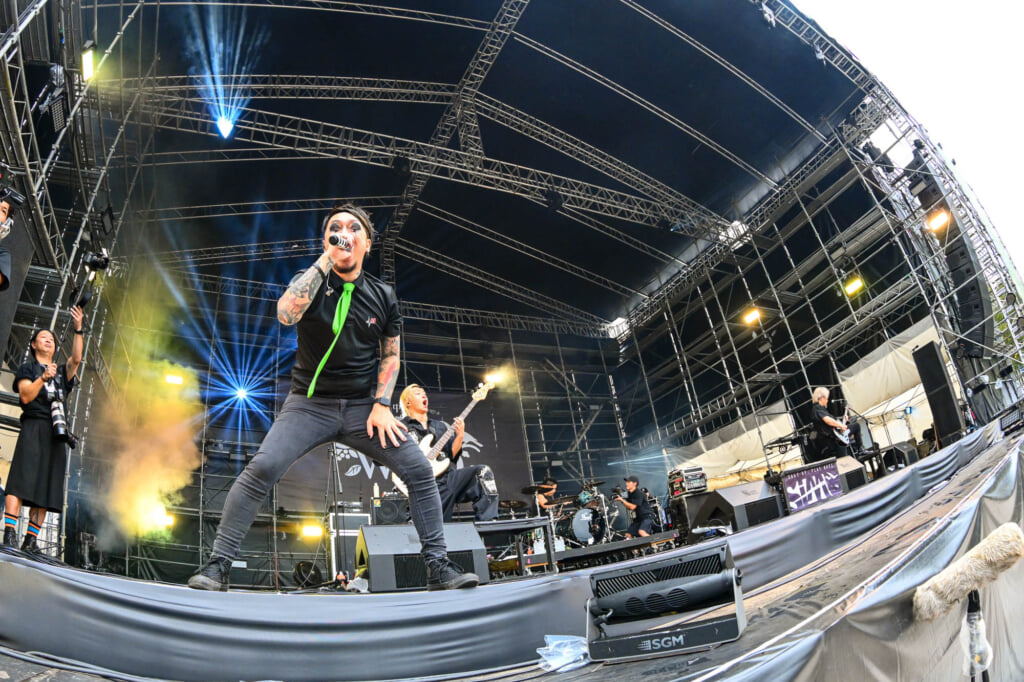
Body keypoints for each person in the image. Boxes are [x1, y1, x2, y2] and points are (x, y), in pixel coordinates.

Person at [188, 204, 477, 591]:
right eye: (335, 228)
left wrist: (381, 404)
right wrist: (327, 258)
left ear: (367, 244)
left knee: (420, 470)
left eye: (354, 228)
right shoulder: (309, 280)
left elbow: (391, 355)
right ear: (325, 240)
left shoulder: (383, 296)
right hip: (309, 405)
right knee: (262, 468)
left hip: (362, 408)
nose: (344, 232)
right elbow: (286, 314)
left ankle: (438, 566)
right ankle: (218, 565)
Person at [3, 306, 84, 551]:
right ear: (33, 344)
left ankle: (31, 540)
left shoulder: (61, 372)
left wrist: (78, 328)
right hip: (34, 426)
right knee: (20, 479)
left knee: (47, 487)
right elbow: (26, 396)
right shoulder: (28, 369)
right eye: (43, 337)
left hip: (56, 431)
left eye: (51, 339)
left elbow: (76, 359)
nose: (49, 340)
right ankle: (9, 534)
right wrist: (43, 378)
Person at [398, 384, 498, 522]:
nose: (423, 395)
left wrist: (460, 435)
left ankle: (489, 522)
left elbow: (452, 455)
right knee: (435, 526)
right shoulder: (402, 427)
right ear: (408, 402)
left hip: (448, 478)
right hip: (422, 483)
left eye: (424, 393)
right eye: (417, 393)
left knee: (482, 472)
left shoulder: (438, 426)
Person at [807, 386, 860, 462]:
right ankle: (861, 450)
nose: (827, 400)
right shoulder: (817, 409)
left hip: (835, 436)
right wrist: (841, 426)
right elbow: (827, 420)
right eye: (826, 398)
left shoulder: (822, 409)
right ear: (821, 398)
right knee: (856, 426)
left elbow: (832, 422)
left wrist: (844, 421)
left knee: (855, 427)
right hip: (831, 439)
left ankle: (860, 449)